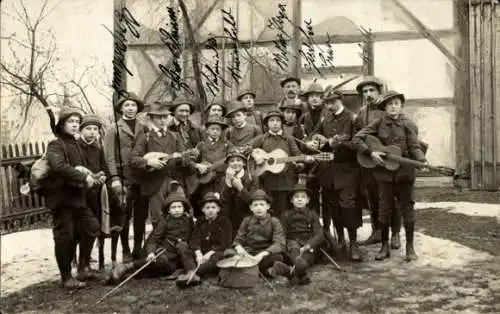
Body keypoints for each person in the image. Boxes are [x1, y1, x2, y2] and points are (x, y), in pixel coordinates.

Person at [353, 91, 427, 262]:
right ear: (384, 107)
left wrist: (421, 160)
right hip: (384, 174)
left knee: (407, 209)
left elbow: (415, 146)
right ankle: (384, 246)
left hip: (404, 174)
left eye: (396, 103)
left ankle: (409, 247)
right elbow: (357, 139)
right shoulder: (378, 123)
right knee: (384, 210)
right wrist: (370, 152)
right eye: (390, 104)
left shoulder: (409, 124)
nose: (393, 107)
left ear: (401, 106)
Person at [45, 107, 100, 289]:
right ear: (62, 124)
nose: (75, 125)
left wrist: (95, 175)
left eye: (77, 121)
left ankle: (83, 268)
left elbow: (81, 166)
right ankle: (66, 277)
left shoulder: (75, 144)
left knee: (92, 228)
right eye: (71, 121)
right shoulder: (56, 144)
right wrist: (84, 176)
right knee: (65, 237)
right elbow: (58, 167)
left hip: (78, 197)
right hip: (62, 199)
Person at [307, 89, 364, 262]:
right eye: (327, 102)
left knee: (348, 206)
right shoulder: (326, 118)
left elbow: (360, 144)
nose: (328, 105)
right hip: (328, 171)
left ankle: (353, 243)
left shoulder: (353, 118)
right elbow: (314, 135)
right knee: (333, 207)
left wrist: (340, 143)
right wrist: (314, 141)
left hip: (347, 170)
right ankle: (340, 241)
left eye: (332, 102)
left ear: (340, 100)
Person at [109, 192, 199, 285]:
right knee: (157, 263)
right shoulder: (164, 222)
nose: (177, 210)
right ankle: (127, 267)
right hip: (165, 254)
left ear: (184, 208)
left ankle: (191, 273)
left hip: (179, 257)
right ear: (168, 210)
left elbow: (194, 236)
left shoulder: (189, 221)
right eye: (173, 207)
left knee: (182, 246)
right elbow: (153, 240)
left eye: (179, 207)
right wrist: (151, 252)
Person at [355, 76, 402, 249]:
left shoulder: (388, 109)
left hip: (387, 160)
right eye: (365, 91)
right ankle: (377, 231)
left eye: (371, 90)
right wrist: (368, 151)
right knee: (372, 196)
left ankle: (395, 233)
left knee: (391, 198)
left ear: (378, 91)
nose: (368, 94)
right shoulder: (361, 112)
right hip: (369, 160)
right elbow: (358, 135)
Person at [103, 91, 147, 262]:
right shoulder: (113, 128)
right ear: (121, 108)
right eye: (127, 105)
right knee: (124, 215)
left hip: (141, 177)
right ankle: (125, 250)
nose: (130, 108)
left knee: (141, 214)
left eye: (133, 105)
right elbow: (109, 156)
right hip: (122, 178)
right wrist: (114, 177)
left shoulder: (142, 127)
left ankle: (137, 247)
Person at [129, 102, 188, 229]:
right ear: (151, 118)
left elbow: (184, 158)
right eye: (158, 117)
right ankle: (158, 247)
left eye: (165, 117)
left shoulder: (175, 136)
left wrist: (182, 157)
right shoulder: (145, 136)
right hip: (154, 184)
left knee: (181, 213)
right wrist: (149, 162)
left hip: (173, 181)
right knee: (159, 219)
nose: (162, 120)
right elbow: (133, 159)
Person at [249, 110, 312, 217]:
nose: (274, 123)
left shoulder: (289, 139)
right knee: (268, 211)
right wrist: (256, 155)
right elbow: (247, 148)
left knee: (284, 212)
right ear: (267, 124)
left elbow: (297, 154)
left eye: (277, 121)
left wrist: (303, 162)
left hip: (285, 181)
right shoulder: (262, 138)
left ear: (281, 123)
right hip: (267, 181)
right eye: (271, 121)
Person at [76, 114, 109, 279]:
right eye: (88, 128)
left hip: (95, 195)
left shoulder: (97, 148)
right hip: (78, 194)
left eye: (95, 129)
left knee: (93, 228)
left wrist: (103, 177)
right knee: (81, 229)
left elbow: (104, 168)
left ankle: (85, 263)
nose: (92, 132)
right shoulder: (76, 147)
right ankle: (79, 264)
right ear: (81, 130)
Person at [225, 189, 285, 277]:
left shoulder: (274, 221)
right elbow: (238, 239)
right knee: (228, 253)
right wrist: (241, 250)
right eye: (255, 205)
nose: (259, 208)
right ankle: (264, 272)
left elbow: (279, 243)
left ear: (268, 206)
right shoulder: (246, 220)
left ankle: (247, 270)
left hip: (264, 254)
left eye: (262, 204)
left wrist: (261, 255)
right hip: (248, 252)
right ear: (251, 208)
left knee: (278, 257)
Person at [273, 184, 324, 285]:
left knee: (306, 258)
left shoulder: (313, 214)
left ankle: (292, 274)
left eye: (303, 197)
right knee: (296, 256)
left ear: (308, 200)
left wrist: (308, 245)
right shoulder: (285, 215)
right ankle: (302, 274)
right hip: (292, 243)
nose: (299, 200)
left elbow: (319, 234)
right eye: (296, 197)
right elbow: (282, 233)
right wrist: (285, 245)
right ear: (291, 200)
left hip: (308, 243)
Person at [190, 116, 234, 216]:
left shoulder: (227, 145)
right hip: (206, 181)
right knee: (207, 204)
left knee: (222, 204)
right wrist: (198, 166)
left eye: (218, 129)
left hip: (222, 180)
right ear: (207, 131)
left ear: (221, 131)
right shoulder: (201, 145)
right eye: (212, 129)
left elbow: (233, 158)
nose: (215, 131)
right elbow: (192, 161)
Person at [190, 192, 233, 278]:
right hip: (202, 251)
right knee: (186, 252)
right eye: (207, 207)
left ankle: (197, 270)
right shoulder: (200, 221)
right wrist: (198, 253)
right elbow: (195, 238)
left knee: (218, 258)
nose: (210, 210)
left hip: (216, 252)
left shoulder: (224, 221)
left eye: (213, 207)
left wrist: (210, 253)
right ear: (203, 209)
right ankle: (192, 270)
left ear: (218, 209)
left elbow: (226, 242)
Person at [221, 147, 259, 237]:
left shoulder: (252, 177)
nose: (235, 163)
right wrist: (228, 182)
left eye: (238, 160)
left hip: (247, 216)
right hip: (231, 217)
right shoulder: (224, 179)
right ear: (228, 164)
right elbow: (223, 201)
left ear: (244, 163)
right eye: (232, 161)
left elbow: (252, 201)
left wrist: (240, 187)